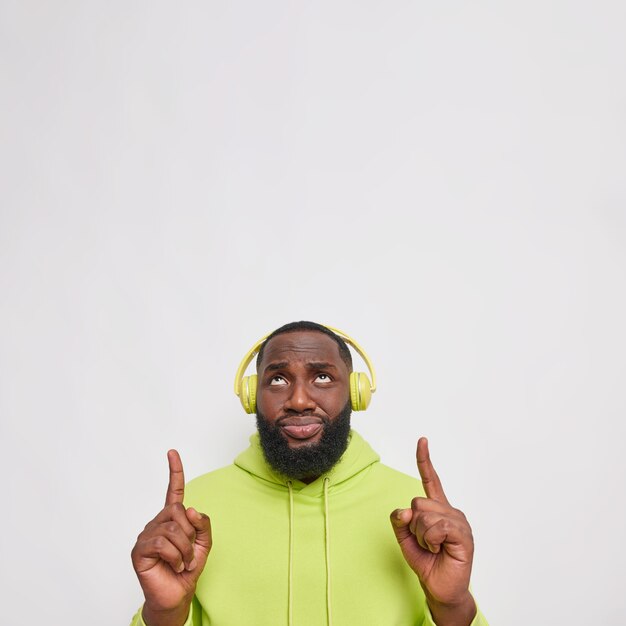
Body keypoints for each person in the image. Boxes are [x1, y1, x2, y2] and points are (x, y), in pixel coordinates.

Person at [130, 322, 488, 626]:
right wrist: (164, 613)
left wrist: (452, 606)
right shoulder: (195, 511)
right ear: (252, 396)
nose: (299, 400)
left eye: (321, 376)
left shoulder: (415, 510)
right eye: (278, 380)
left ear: (355, 392)